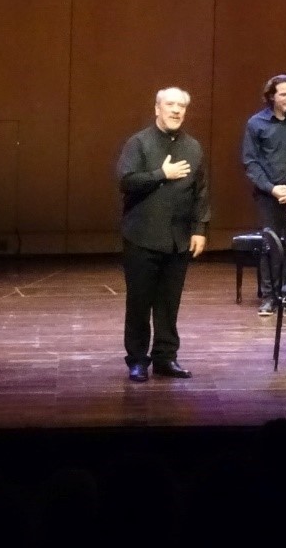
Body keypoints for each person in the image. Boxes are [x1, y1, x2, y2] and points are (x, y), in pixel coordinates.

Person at [117, 87, 209, 382]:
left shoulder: (193, 147)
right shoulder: (139, 143)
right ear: (157, 108)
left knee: (169, 304)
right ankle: (137, 360)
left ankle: (165, 358)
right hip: (142, 237)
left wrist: (199, 229)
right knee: (139, 303)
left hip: (178, 240)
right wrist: (161, 174)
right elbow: (126, 181)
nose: (176, 110)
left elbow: (201, 192)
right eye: (170, 104)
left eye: (181, 106)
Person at [242, 74, 286, 316]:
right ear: (272, 96)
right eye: (284, 94)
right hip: (268, 194)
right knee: (269, 245)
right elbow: (251, 162)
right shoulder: (256, 123)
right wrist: (272, 189)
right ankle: (270, 297)